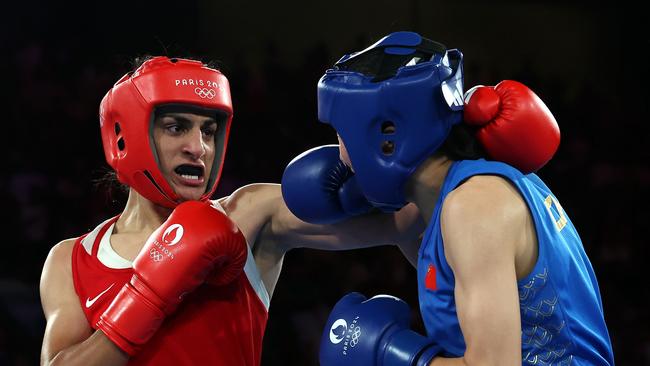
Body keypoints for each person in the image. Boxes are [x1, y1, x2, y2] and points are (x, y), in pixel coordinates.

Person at [39, 56, 427, 366]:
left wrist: (448, 146)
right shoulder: (71, 260)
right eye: (176, 127)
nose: (199, 148)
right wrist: (147, 296)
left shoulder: (247, 215)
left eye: (208, 131)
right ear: (127, 137)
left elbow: (404, 220)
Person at [281, 31, 614, 365]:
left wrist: (393, 355)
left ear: (386, 140)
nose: (341, 158)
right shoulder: (447, 197)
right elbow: (322, 225)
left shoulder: (474, 207)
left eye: (341, 137)